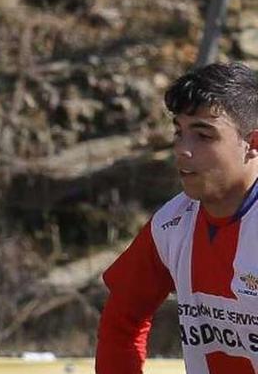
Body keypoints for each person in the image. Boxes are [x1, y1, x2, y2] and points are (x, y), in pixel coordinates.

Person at [95, 62, 258, 373]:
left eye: (203, 135)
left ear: (252, 144)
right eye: (179, 132)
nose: (183, 149)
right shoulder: (172, 224)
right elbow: (121, 323)